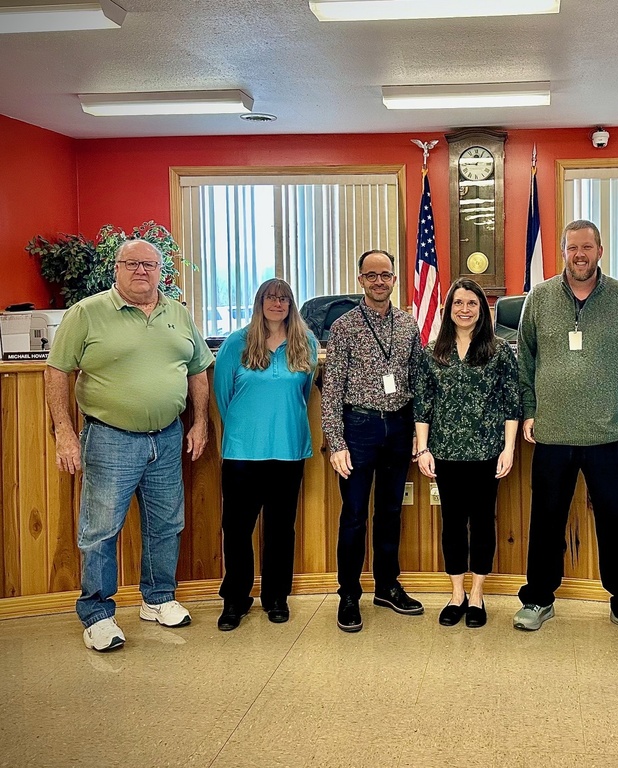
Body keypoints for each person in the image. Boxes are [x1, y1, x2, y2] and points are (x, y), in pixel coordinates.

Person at [44, 239, 214, 652]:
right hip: (109, 438)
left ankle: (157, 599)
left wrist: (200, 422)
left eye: (150, 265)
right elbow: (56, 370)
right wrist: (64, 432)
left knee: (166, 524)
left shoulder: (178, 313)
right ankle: (97, 614)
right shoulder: (87, 312)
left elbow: (197, 370)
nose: (141, 271)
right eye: (132, 263)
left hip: (167, 437)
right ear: (117, 268)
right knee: (100, 531)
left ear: (161, 271)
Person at [513, 219, 618, 639]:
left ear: (600, 251)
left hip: (611, 434)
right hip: (552, 434)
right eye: (572, 247)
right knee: (546, 521)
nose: (580, 254)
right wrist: (530, 410)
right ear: (563, 252)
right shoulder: (539, 298)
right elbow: (524, 360)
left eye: (587, 247)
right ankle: (538, 599)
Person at [321, 249, 424, 632]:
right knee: (353, 515)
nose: (379, 281)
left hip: (398, 427)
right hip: (358, 429)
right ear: (360, 280)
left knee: (391, 512)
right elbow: (331, 389)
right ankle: (349, 594)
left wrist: (418, 433)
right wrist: (337, 443)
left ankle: (387, 586)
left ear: (394, 279)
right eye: (371, 275)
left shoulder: (408, 324)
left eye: (385, 275)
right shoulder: (344, 326)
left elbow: (418, 382)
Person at [413, 278, 520, 629]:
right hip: (445, 452)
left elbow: (510, 403)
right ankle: (456, 594)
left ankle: (477, 594)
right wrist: (423, 448)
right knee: (453, 524)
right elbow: (423, 405)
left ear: (482, 309)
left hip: (487, 452)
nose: (464, 309)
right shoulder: (433, 352)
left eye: (472, 303)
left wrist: (509, 449)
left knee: (483, 522)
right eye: (458, 303)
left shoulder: (499, 351)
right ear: (448, 309)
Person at [212, 279, 318, 631]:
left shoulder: (305, 343)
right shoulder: (236, 343)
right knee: (237, 529)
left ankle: (276, 597)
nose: (277, 303)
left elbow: (303, 392)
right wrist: (246, 429)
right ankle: (235, 599)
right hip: (243, 453)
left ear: (291, 304)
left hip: (288, 450)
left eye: (284, 298)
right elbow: (224, 396)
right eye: (270, 297)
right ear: (259, 302)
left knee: (280, 530)